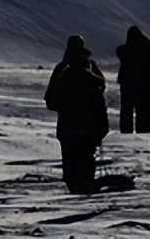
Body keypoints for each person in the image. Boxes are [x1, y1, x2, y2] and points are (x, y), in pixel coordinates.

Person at [44, 35, 109, 194]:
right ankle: (85, 191)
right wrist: (101, 128)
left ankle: (76, 191)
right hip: (88, 128)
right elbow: (100, 97)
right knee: (86, 163)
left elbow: (50, 101)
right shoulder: (92, 70)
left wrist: (65, 109)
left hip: (67, 128)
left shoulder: (62, 69)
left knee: (71, 164)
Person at [115, 26, 150, 135]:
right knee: (140, 108)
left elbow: (119, 51)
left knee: (126, 108)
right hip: (139, 82)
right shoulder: (142, 51)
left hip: (126, 82)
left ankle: (126, 130)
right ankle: (141, 129)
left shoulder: (124, 50)